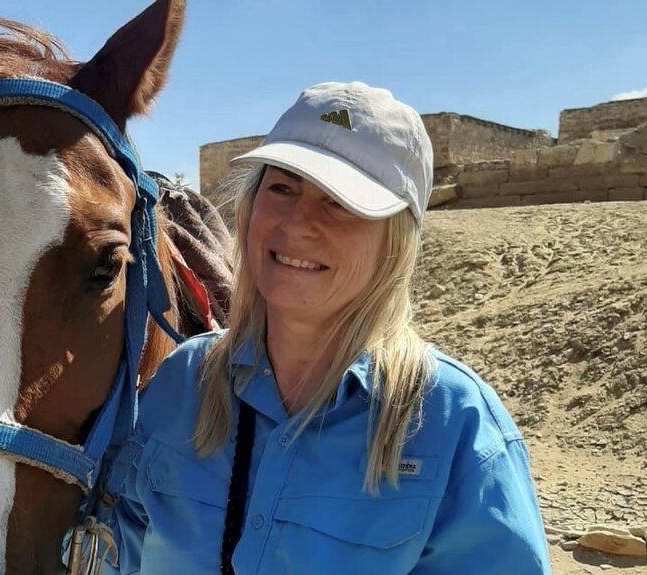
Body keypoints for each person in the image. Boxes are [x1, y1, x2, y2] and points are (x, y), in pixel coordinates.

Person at [99, 81, 551, 574]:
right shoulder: (183, 383)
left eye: (341, 201)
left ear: (396, 238)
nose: (297, 223)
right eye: (282, 188)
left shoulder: (455, 427)